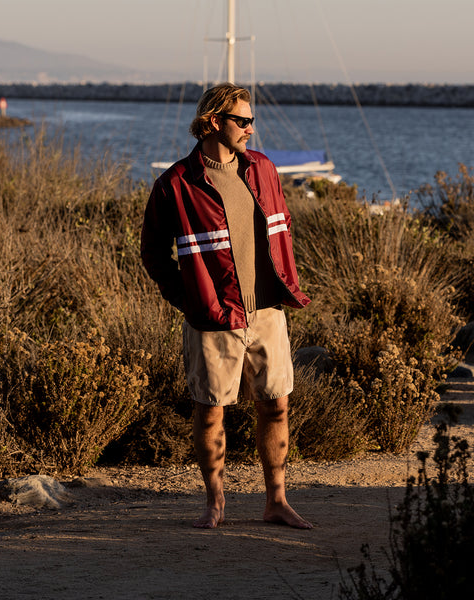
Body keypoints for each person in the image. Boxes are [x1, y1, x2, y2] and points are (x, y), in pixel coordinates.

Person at [141, 83, 312, 530]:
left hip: (268, 313)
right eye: (243, 120)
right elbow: (154, 254)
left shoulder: (264, 169)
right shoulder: (176, 183)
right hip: (213, 316)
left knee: (276, 404)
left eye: (252, 120)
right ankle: (215, 503)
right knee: (211, 408)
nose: (251, 129)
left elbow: (283, 225)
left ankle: (276, 501)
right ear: (215, 121)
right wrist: (187, 298)